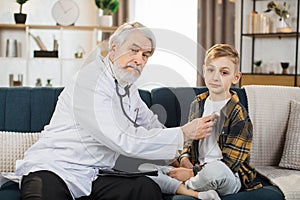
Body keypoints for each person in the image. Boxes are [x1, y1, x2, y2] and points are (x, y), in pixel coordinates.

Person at [15, 22, 218, 200]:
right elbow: (123, 139)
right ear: (113, 49)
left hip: (94, 175)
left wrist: (182, 159)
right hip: (55, 168)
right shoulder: (89, 81)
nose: (139, 59)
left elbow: (151, 124)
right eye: (134, 50)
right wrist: (184, 133)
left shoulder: (128, 88)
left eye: (145, 55)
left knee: (145, 189)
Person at [142, 44, 262, 199]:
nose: (215, 77)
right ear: (204, 70)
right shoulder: (198, 104)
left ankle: (184, 185)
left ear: (235, 77)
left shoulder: (238, 113)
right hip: (195, 168)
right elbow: (188, 140)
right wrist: (184, 159)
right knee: (147, 169)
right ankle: (194, 187)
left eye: (224, 72)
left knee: (216, 171)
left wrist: (192, 173)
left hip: (226, 175)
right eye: (211, 70)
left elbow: (230, 163)